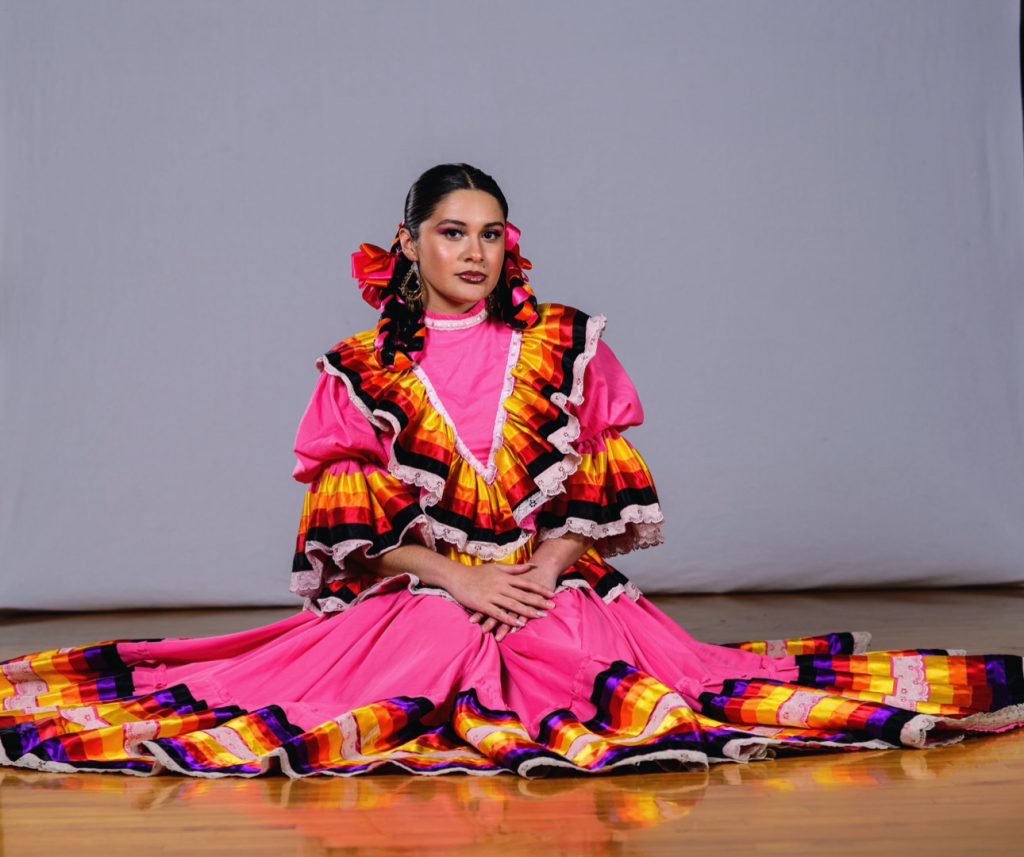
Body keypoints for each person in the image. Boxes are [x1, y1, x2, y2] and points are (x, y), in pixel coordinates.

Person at [1, 163, 1021, 778]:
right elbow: (356, 534)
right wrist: (464, 576)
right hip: (427, 588)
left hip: (547, 573)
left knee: (576, 637)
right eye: (453, 232)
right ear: (408, 244)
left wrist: (544, 564)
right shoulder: (360, 370)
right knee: (438, 638)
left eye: (490, 234)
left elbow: (598, 483)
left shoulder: (568, 343)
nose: (474, 251)